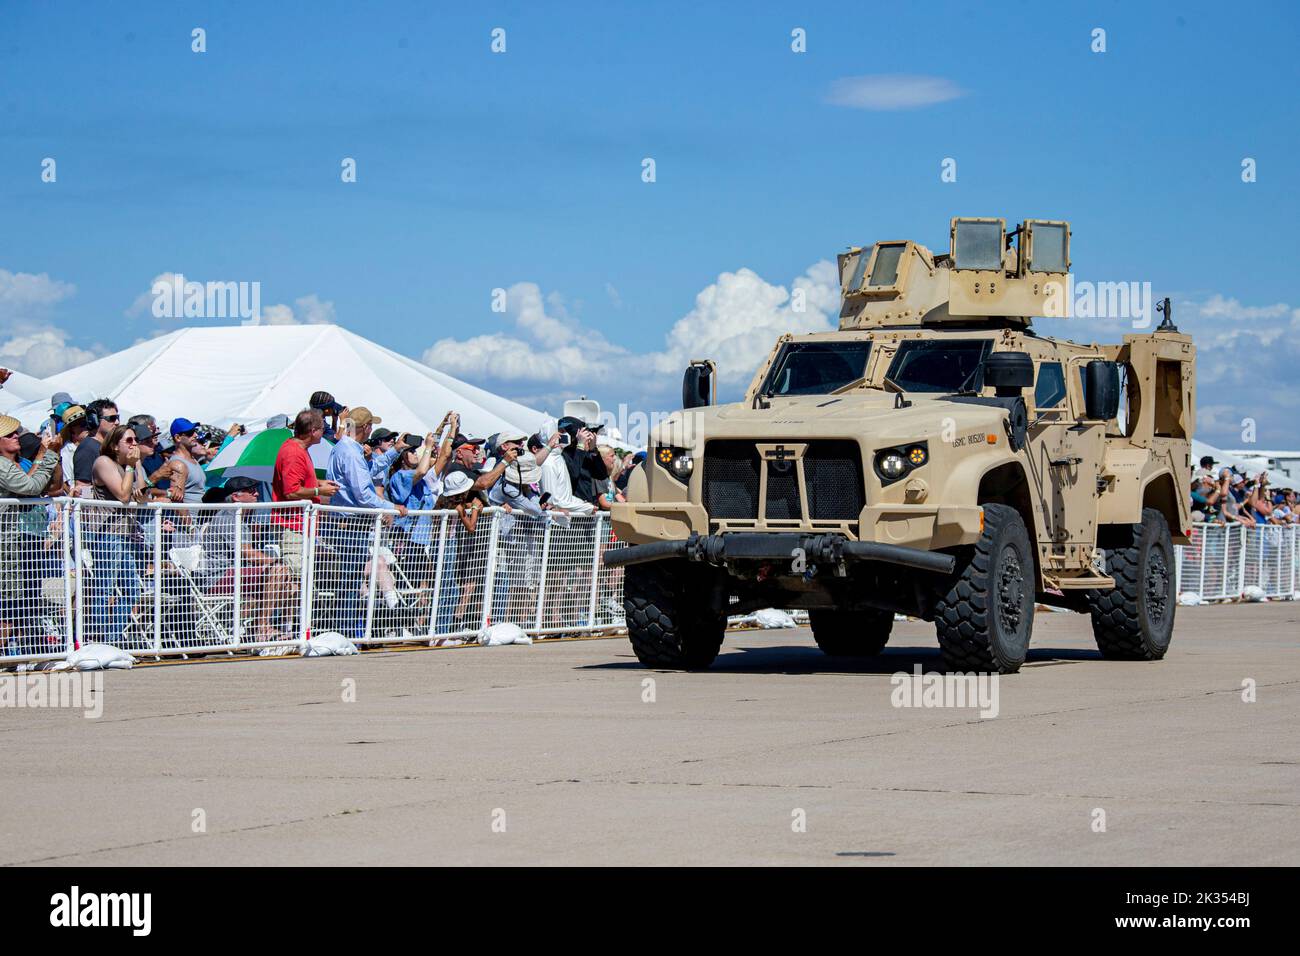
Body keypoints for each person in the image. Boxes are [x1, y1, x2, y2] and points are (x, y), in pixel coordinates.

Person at [200, 477, 298, 641]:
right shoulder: (227, 518)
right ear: (236, 497)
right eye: (251, 491)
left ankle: (286, 631)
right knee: (280, 570)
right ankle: (263, 628)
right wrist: (278, 563)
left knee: (291, 586)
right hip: (219, 577)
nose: (257, 494)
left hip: (238, 575)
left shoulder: (245, 518)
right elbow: (248, 553)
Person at [84, 425, 145, 644]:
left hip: (125, 535)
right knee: (105, 587)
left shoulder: (125, 465)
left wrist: (135, 464)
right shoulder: (104, 463)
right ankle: (98, 638)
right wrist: (130, 467)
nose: (134, 444)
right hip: (107, 535)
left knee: (132, 590)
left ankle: (112, 637)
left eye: (136, 440)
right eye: (129, 440)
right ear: (114, 445)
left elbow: (140, 495)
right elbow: (122, 494)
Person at [271, 409, 339, 576]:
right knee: (296, 576)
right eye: (322, 428)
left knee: (302, 578)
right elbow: (291, 491)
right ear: (313, 431)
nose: (325, 432)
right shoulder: (293, 452)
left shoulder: (299, 449)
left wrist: (318, 483)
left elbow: (297, 482)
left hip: (301, 524)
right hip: (293, 526)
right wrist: (319, 490)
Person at [73, 398, 120, 494]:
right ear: (94, 420)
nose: (117, 422)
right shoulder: (87, 448)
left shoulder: (105, 446)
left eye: (117, 417)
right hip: (100, 508)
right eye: (112, 418)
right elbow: (81, 489)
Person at [166, 417, 209, 503]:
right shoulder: (177, 463)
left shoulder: (192, 459)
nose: (195, 435)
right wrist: (186, 517)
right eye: (190, 433)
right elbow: (176, 499)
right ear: (178, 437)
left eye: (194, 431)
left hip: (201, 515)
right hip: (190, 515)